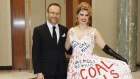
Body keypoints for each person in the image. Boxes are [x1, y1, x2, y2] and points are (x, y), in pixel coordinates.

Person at [65, 2, 132, 79]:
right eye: (81, 14)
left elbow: (106, 48)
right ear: (77, 15)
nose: (84, 17)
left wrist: (120, 57)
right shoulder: (71, 31)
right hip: (74, 65)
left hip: (88, 65)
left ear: (89, 17)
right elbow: (66, 49)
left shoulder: (94, 31)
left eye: (86, 15)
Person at [32, 3, 70, 79]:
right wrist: (38, 72)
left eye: (57, 13)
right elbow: (36, 53)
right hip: (45, 71)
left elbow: (67, 49)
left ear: (60, 15)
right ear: (47, 14)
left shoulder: (64, 29)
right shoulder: (38, 30)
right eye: (52, 13)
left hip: (61, 71)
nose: (55, 16)